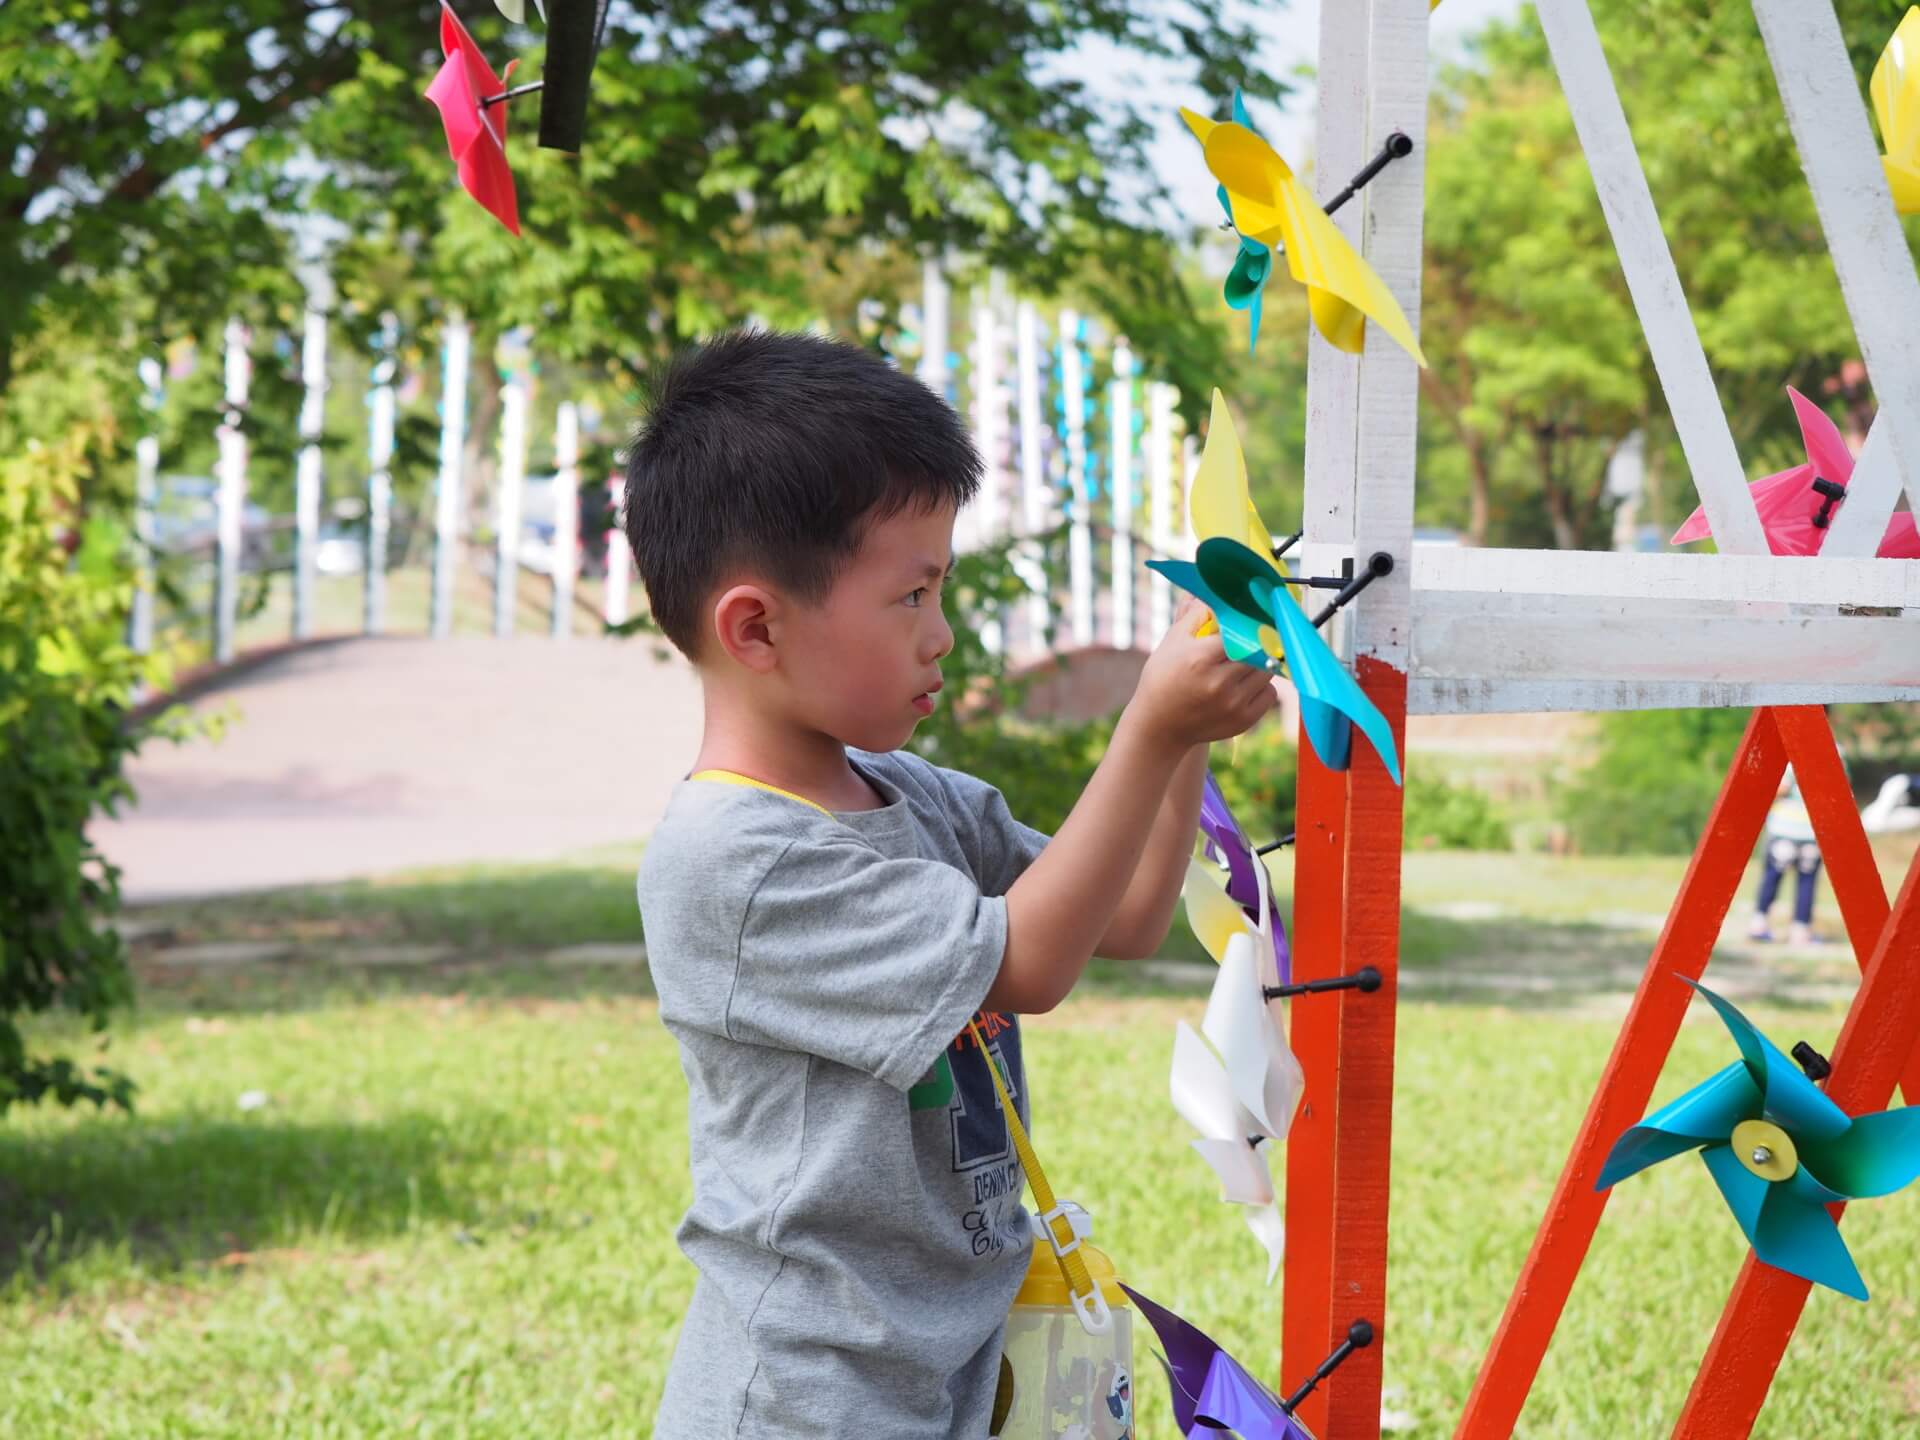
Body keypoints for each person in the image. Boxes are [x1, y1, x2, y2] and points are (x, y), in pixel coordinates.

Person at [627, 331, 1276, 1438]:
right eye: (911, 597)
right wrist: (1147, 721)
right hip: (810, 1395)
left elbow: (1115, 920)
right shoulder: (733, 859)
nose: (944, 635)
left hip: (954, 1370)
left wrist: (1184, 740)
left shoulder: (913, 797)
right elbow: (1028, 965)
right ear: (756, 627)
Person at [1748, 768, 1823, 945]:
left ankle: (1759, 924)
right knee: (1807, 882)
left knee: (1771, 878)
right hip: (1812, 831)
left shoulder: (1789, 756)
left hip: (1784, 828)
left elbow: (1780, 788)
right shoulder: (1837, 753)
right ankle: (1801, 930)